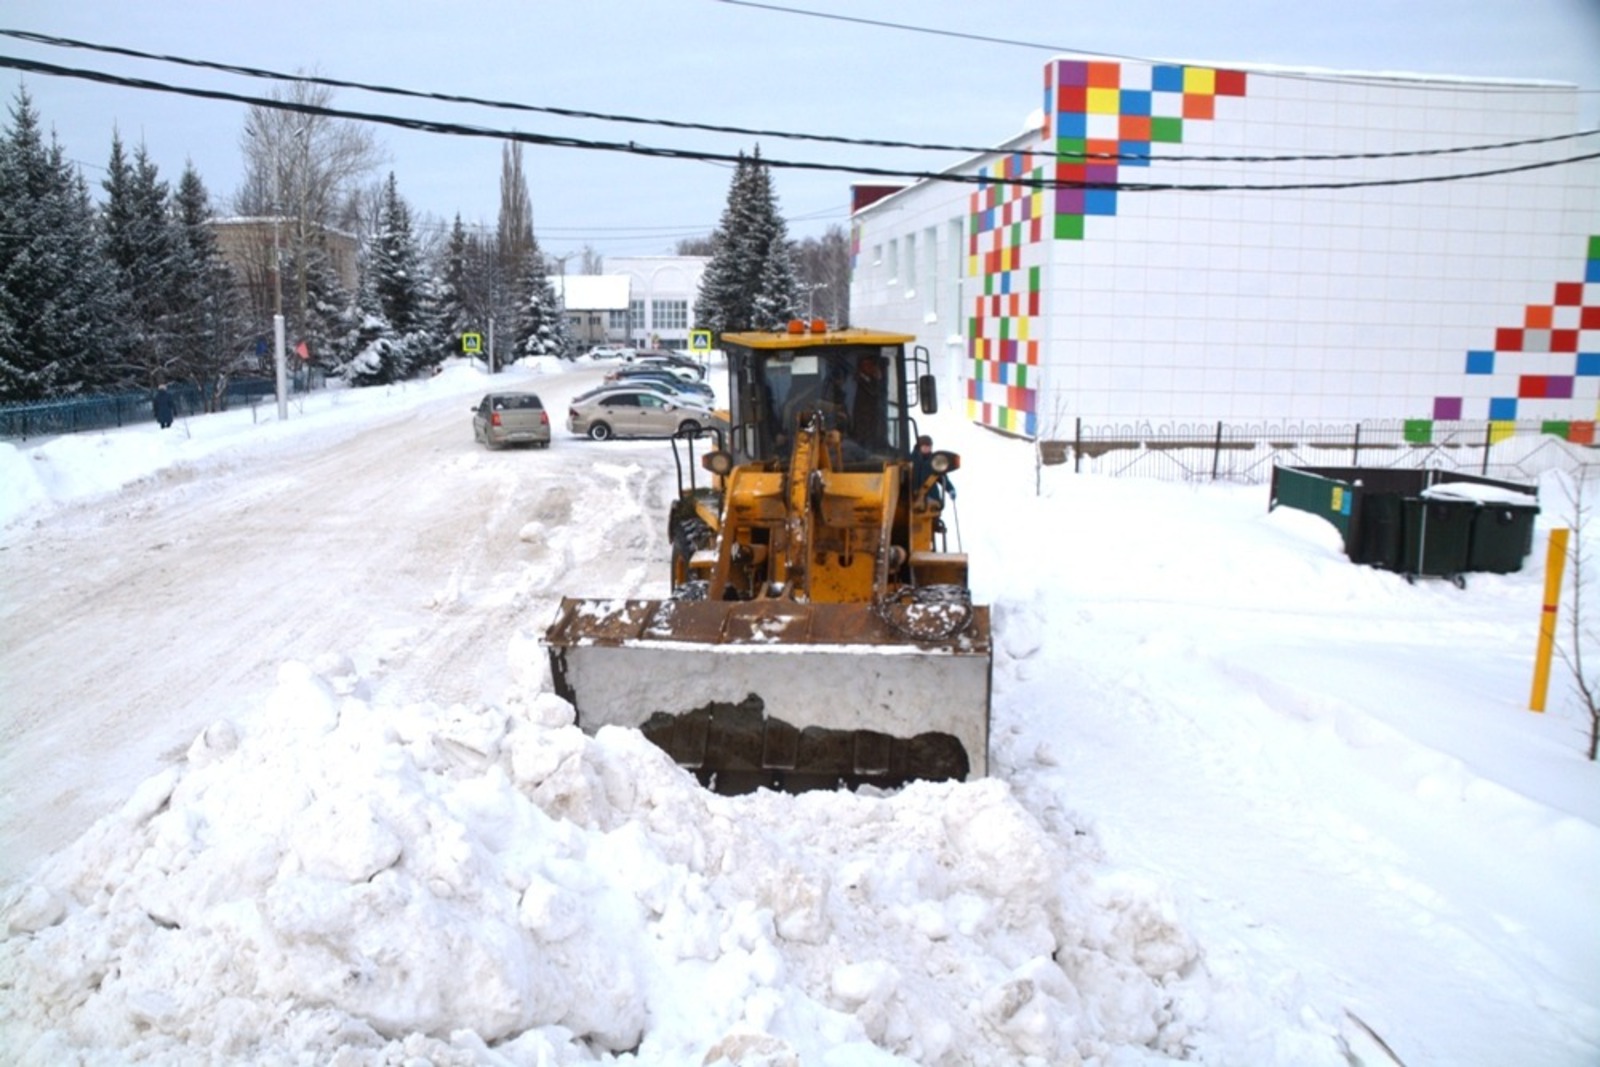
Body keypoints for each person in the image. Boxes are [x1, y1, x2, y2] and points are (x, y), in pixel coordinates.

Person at [910, 434, 956, 506]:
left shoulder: (935, 461)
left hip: (931, 497)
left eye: (929, 446)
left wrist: (951, 490)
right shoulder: (910, 460)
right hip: (911, 498)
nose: (927, 448)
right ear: (919, 447)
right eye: (925, 446)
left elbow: (943, 478)